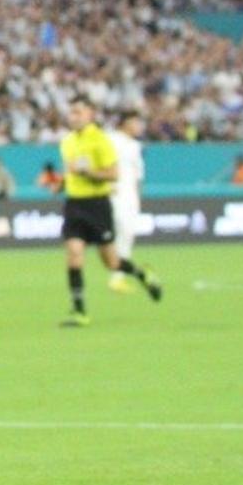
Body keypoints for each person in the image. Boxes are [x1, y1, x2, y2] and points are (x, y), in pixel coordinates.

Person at [57, 100, 162, 327]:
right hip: (74, 204)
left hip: (97, 204)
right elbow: (70, 172)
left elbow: (113, 174)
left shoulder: (101, 140)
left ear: (90, 114)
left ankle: (142, 274)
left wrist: (87, 171)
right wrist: (60, 183)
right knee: (74, 254)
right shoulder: (67, 142)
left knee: (111, 262)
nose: (73, 116)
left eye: (78, 112)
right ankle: (79, 311)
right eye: (71, 112)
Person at [107, 113, 147, 292]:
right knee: (120, 231)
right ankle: (117, 273)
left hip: (130, 196)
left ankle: (118, 276)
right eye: (136, 122)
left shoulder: (136, 146)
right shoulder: (111, 139)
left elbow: (138, 175)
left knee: (127, 234)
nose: (139, 126)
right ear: (125, 123)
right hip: (114, 193)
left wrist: (138, 197)